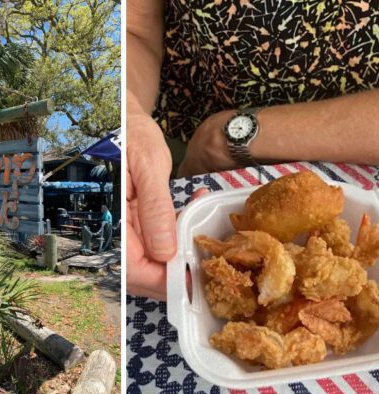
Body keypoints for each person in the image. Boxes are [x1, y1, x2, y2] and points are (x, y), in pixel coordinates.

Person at [128, 1, 379, 301]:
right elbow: (134, 31)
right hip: (175, 144)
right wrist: (129, 113)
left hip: (360, 158)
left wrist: (231, 136)